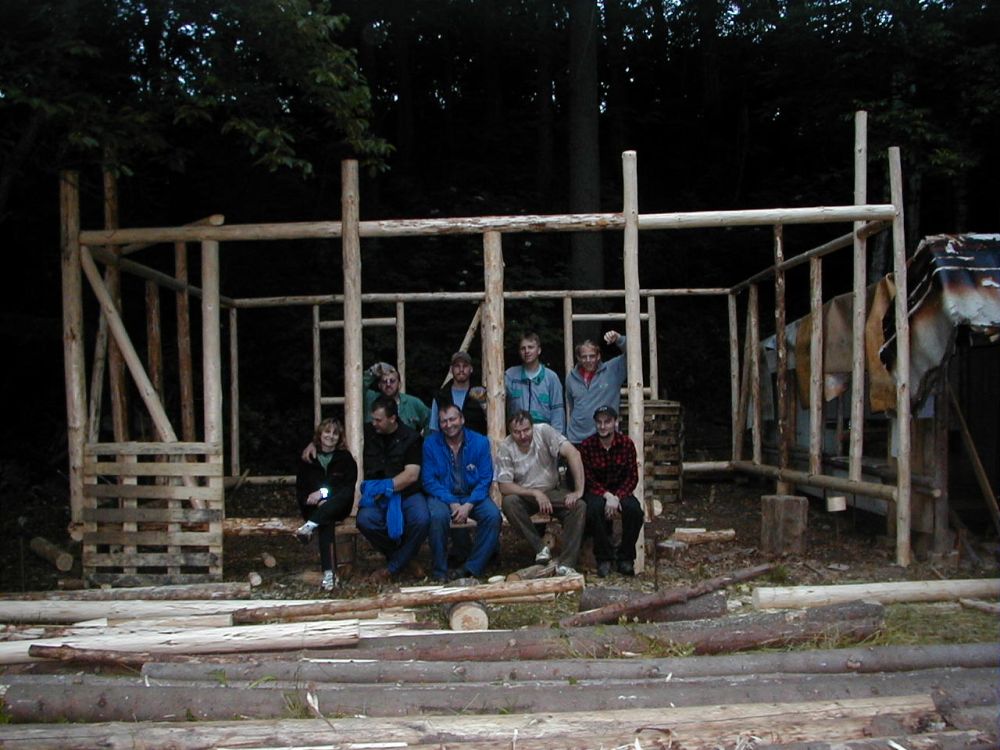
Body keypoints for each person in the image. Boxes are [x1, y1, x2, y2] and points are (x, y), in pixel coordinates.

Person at [496, 410, 586, 574]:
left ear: (533, 426)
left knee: (579, 506)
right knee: (509, 502)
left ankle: (567, 563)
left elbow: (574, 453)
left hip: (551, 490)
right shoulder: (506, 447)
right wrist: (535, 493)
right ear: (510, 432)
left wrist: (579, 490)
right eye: (517, 432)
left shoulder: (544, 431)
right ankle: (540, 548)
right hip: (526, 494)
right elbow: (504, 486)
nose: (523, 436)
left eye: (526, 430)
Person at [355, 395, 431, 582]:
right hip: (377, 495)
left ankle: (392, 567)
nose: (374, 423)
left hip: (406, 492)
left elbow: (411, 475)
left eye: (378, 420)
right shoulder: (367, 432)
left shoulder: (411, 438)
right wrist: (314, 444)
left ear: (392, 419)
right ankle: (404, 559)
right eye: (373, 419)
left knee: (422, 519)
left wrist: (386, 487)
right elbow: (335, 436)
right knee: (364, 520)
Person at [422, 403, 501, 581]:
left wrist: (468, 505)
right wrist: (452, 502)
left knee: (492, 516)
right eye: (443, 421)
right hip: (443, 496)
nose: (448, 425)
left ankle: (471, 568)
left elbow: (485, 478)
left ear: (462, 419)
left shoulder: (480, 442)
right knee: (437, 517)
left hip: (472, 495)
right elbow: (428, 481)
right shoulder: (430, 444)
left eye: (452, 419)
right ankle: (440, 571)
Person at [579, 405, 644, 577]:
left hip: (621, 490)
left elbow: (632, 477)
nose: (603, 426)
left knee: (635, 511)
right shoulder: (587, 446)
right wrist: (606, 495)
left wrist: (618, 497)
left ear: (615, 422)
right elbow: (588, 479)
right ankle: (604, 558)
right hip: (597, 491)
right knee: (594, 509)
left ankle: (625, 557)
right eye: (599, 422)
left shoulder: (626, 444)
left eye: (607, 422)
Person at [294, 417, 358, 591]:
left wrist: (323, 494)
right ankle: (329, 575)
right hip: (314, 508)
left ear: (340, 437)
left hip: (338, 505)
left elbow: (346, 486)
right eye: (327, 432)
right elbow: (301, 488)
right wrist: (311, 500)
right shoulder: (308, 458)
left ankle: (308, 527)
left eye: (335, 433)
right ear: (320, 434)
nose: (331, 436)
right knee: (326, 520)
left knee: (344, 495)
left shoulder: (345, 459)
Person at [565, 330, 628, 444]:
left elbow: (633, 353)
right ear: (578, 358)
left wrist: (618, 338)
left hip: (603, 437)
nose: (588, 360)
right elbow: (572, 405)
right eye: (584, 357)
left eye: (592, 356)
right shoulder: (571, 378)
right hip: (576, 438)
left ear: (598, 356)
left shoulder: (612, 370)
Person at [504, 332, 565, 434]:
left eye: (530, 347)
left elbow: (557, 411)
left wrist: (556, 438)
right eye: (523, 348)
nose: (527, 351)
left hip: (543, 434)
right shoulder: (510, 375)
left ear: (539, 350)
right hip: (518, 433)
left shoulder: (551, 378)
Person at [430, 351, 487, 435]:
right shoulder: (440, 396)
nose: (461, 369)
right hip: (446, 443)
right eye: (457, 366)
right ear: (451, 369)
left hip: (477, 442)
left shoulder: (482, 394)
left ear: (471, 369)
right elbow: (434, 429)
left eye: (465, 366)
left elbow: (493, 421)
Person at [364, 362, 431, 434]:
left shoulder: (412, 403)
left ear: (399, 384)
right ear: (379, 385)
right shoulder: (369, 399)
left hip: (405, 440)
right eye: (384, 381)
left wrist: (426, 439)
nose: (388, 384)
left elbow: (431, 420)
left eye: (392, 381)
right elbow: (357, 388)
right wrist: (372, 372)